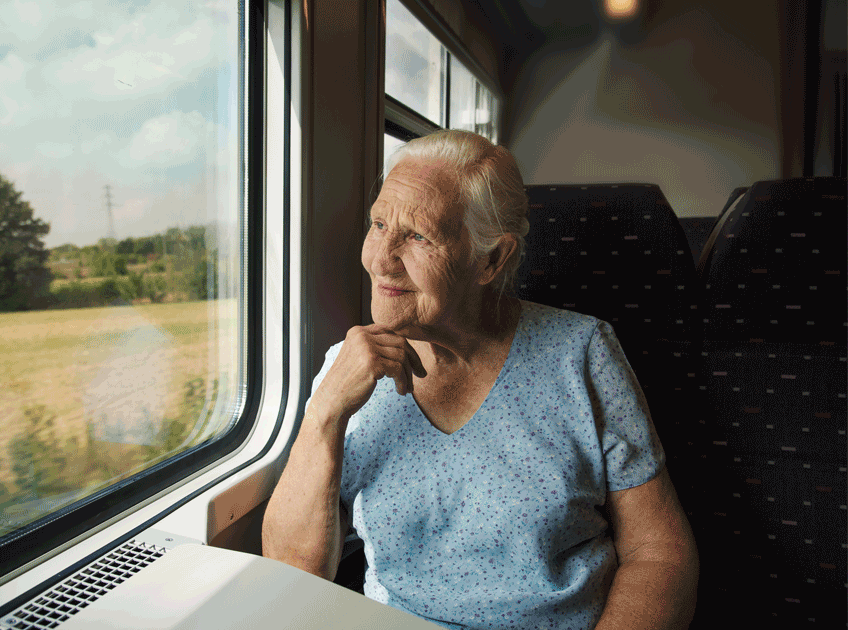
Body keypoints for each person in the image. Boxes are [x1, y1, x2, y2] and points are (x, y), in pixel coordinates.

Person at [262, 129, 699, 630]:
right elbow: (292, 571)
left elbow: (658, 552)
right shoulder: (347, 367)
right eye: (378, 224)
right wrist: (325, 412)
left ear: (490, 259)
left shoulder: (582, 353)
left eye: (418, 235)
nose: (380, 258)